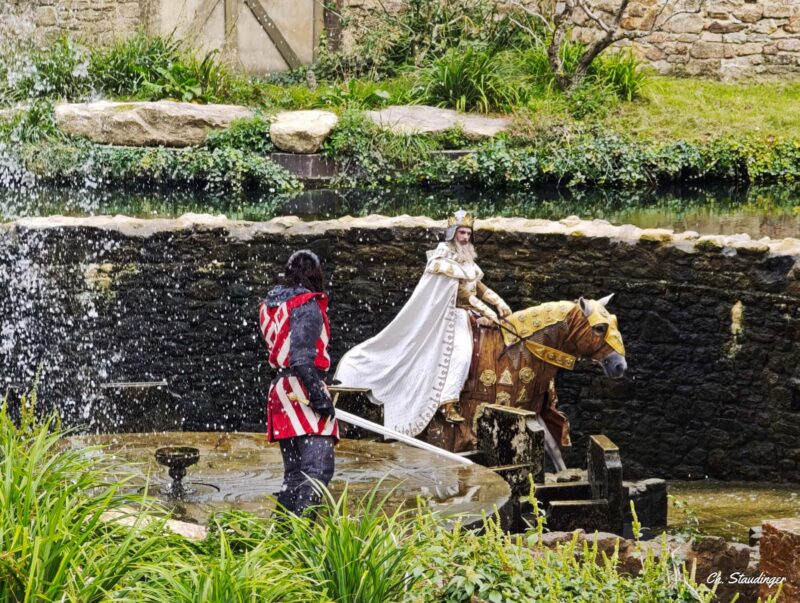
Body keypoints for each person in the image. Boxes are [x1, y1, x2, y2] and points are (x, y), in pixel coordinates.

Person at [335, 209, 512, 436]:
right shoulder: (442, 259)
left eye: (468, 233)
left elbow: (478, 286)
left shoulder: (467, 258)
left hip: (468, 316)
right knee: (461, 354)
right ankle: (447, 402)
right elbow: (463, 294)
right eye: (462, 233)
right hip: (448, 318)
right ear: (452, 233)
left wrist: (500, 303)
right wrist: (488, 311)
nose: (465, 238)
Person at [258, 249, 338, 516]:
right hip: (302, 389)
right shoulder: (306, 303)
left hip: (281, 390)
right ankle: (303, 533)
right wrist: (319, 396)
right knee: (318, 470)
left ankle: (283, 533)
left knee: (294, 474)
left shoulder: (270, 307)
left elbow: (283, 354)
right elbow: (302, 358)